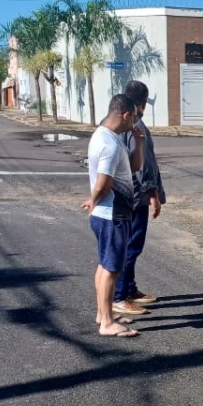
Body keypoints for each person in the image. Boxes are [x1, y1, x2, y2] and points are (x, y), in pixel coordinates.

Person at [82, 94, 144, 337]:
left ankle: (103, 313)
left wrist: (137, 144)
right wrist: (94, 201)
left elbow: (134, 166)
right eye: (135, 118)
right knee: (111, 268)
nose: (135, 123)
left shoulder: (107, 137)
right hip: (112, 214)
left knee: (104, 265)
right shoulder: (108, 143)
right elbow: (103, 181)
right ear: (125, 115)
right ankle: (107, 322)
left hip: (110, 213)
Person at [112, 80, 166, 316]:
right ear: (143, 103)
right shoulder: (137, 125)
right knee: (131, 246)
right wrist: (153, 193)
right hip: (136, 195)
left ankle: (130, 289)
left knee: (130, 245)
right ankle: (120, 296)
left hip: (128, 193)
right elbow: (143, 166)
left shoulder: (124, 124)